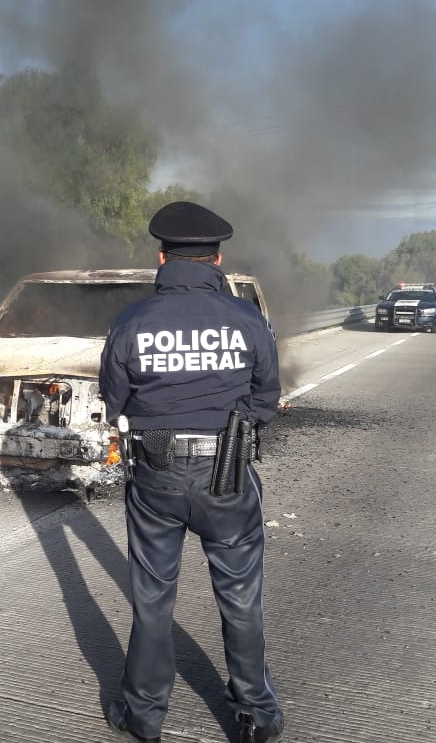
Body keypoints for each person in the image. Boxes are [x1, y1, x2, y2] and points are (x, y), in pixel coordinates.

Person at [99, 201, 285, 743]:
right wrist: (232, 432)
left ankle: (143, 716)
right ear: (217, 259)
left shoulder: (132, 322)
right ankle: (255, 713)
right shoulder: (248, 320)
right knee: (241, 595)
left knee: (154, 597)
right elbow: (265, 400)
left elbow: (115, 402)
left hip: (154, 475)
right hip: (227, 473)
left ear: (162, 256)